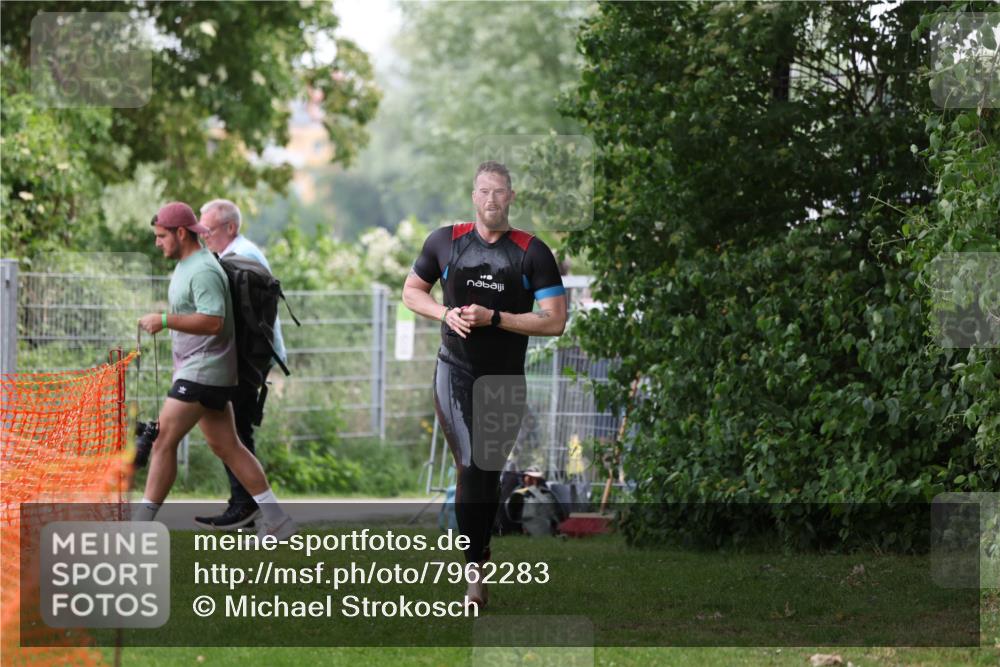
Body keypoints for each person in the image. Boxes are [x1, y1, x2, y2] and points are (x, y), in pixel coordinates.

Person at [401, 161, 568, 609]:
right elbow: (411, 291)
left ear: (510, 197)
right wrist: (445, 313)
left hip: (504, 377)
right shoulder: (444, 242)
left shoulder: (532, 252)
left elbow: (555, 322)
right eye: (483, 192)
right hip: (453, 369)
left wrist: (495, 318)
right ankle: (473, 574)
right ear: (473, 196)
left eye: (499, 192)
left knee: (487, 473)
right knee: (471, 463)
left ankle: (481, 552)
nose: (491, 200)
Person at [136, 201, 295, 540]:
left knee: (163, 440)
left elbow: (213, 321)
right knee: (229, 446)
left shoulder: (203, 270)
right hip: (201, 370)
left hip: (204, 371)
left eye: (162, 236)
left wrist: (163, 320)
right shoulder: (187, 264)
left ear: (181, 233)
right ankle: (278, 521)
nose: (157, 242)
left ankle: (138, 529)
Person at [192, 199, 287, 531]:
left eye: (209, 230)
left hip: (247, 360)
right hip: (251, 358)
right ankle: (248, 507)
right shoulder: (239, 255)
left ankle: (244, 506)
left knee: (234, 431)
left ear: (230, 228)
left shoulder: (241, 258)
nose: (204, 236)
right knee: (237, 429)